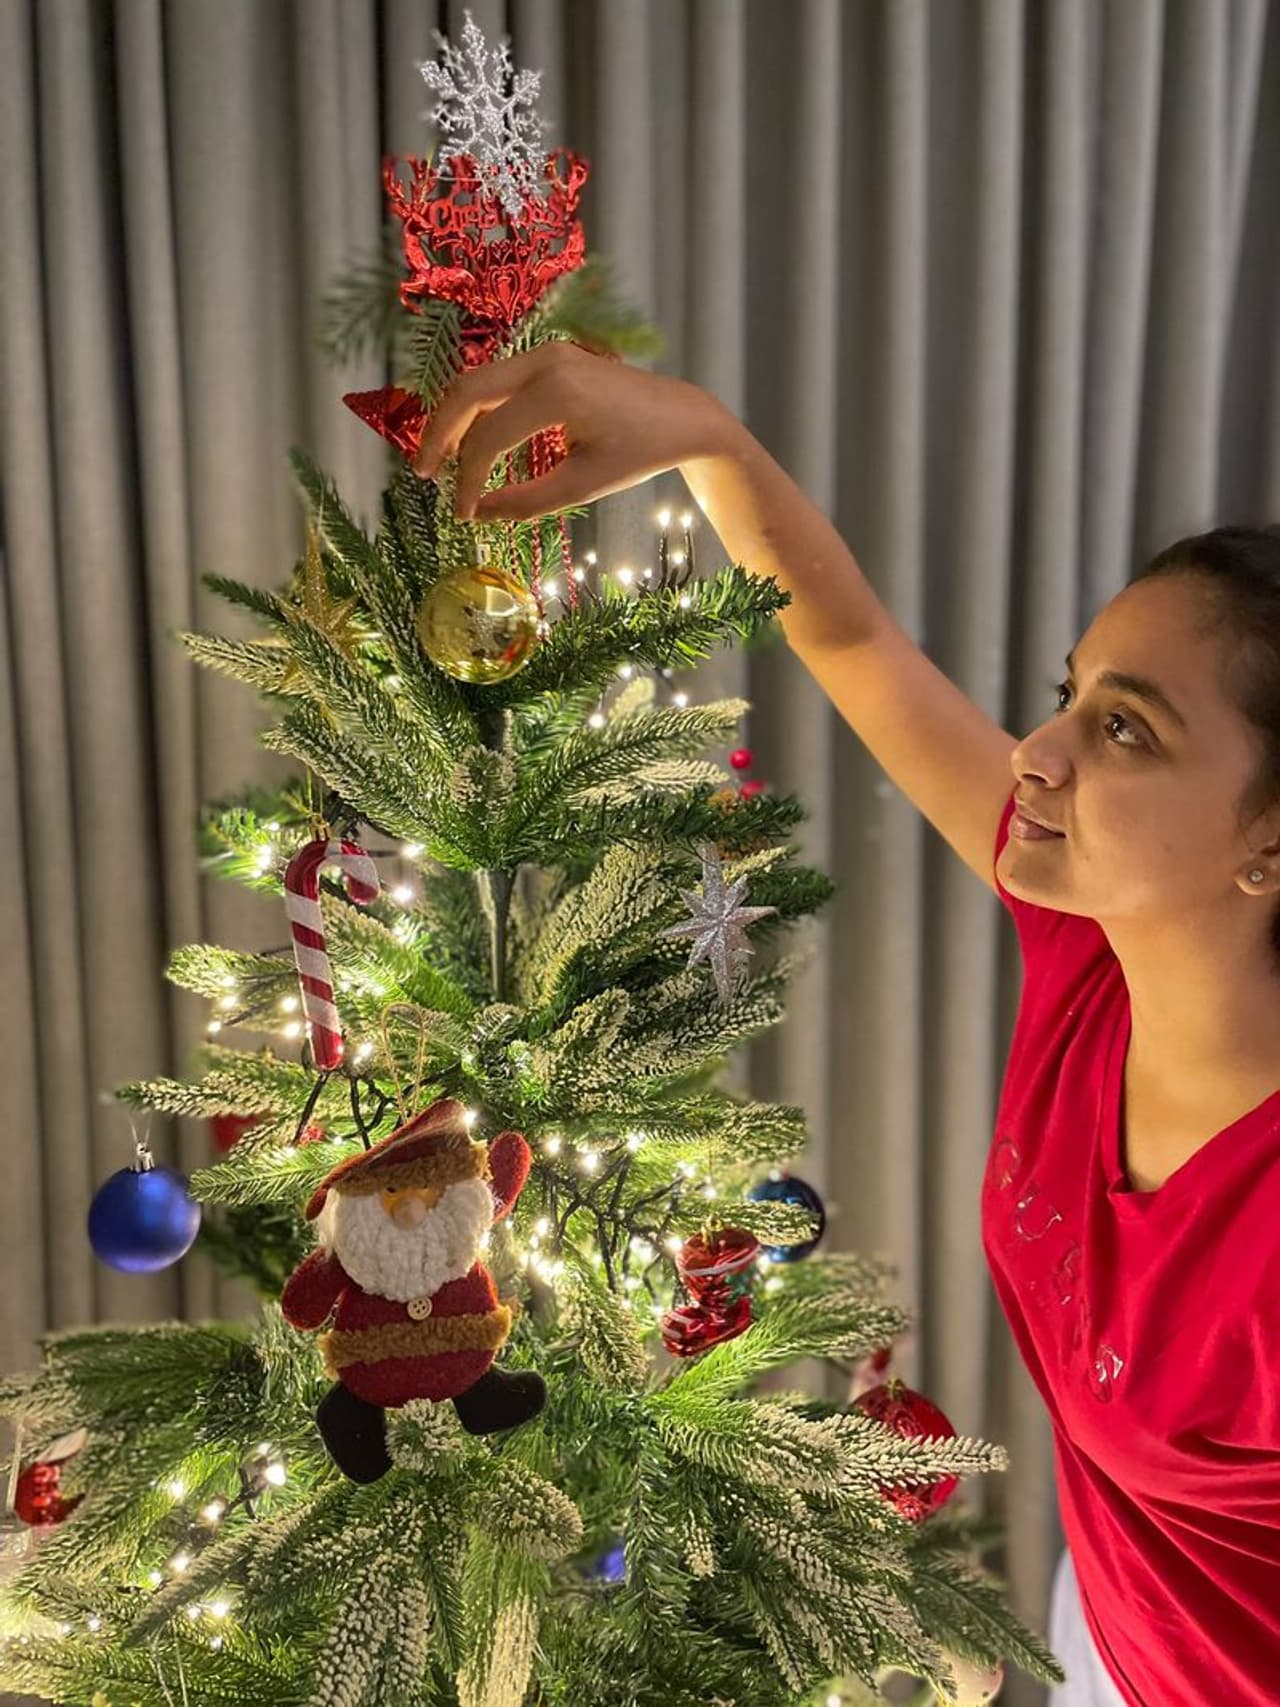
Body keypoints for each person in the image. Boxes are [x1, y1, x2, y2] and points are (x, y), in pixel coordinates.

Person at [411, 341, 1280, 1706]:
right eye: (1070, 695)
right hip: (1112, 1637)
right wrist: (711, 440)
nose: (1038, 754)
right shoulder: (1090, 948)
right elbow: (858, 642)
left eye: (1128, 732)